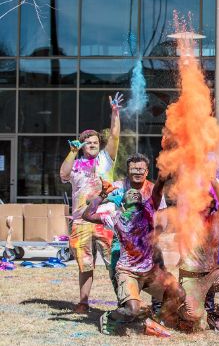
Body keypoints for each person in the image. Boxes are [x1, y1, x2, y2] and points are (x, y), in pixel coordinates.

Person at [83, 177, 185, 336]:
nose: (134, 193)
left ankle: (156, 320)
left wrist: (163, 175)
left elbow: (157, 190)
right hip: (128, 272)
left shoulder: (148, 210)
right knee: (132, 310)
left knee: (178, 293)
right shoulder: (115, 217)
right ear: (123, 204)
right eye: (129, 193)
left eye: (137, 193)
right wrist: (103, 194)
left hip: (150, 272)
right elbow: (87, 215)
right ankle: (109, 318)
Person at [59, 92, 123, 314]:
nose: (93, 145)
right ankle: (83, 302)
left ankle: (123, 302)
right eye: (89, 142)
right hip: (81, 221)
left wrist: (115, 113)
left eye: (96, 142)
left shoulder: (106, 159)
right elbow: (63, 174)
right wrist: (72, 152)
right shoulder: (75, 163)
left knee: (114, 263)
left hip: (105, 220)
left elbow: (114, 136)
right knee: (85, 265)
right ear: (82, 145)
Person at [178, 172, 219, 333]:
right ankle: (180, 311)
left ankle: (217, 317)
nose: (207, 206)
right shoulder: (188, 220)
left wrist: (212, 180)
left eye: (211, 204)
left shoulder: (216, 223)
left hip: (211, 275)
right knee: (194, 317)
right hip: (190, 278)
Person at [104, 153, 168, 310]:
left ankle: (158, 307)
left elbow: (163, 217)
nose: (138, 172)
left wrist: (155, 235)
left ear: (146, 171)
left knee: (159, 271)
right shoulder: (118, 187)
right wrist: (104, 195)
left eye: (141, 169)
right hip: (123, 240)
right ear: (128, 170)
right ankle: (125, 302)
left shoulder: (153, 189)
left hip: (148, 238)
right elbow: (95, 203)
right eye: (134, 169)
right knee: (116, 268)